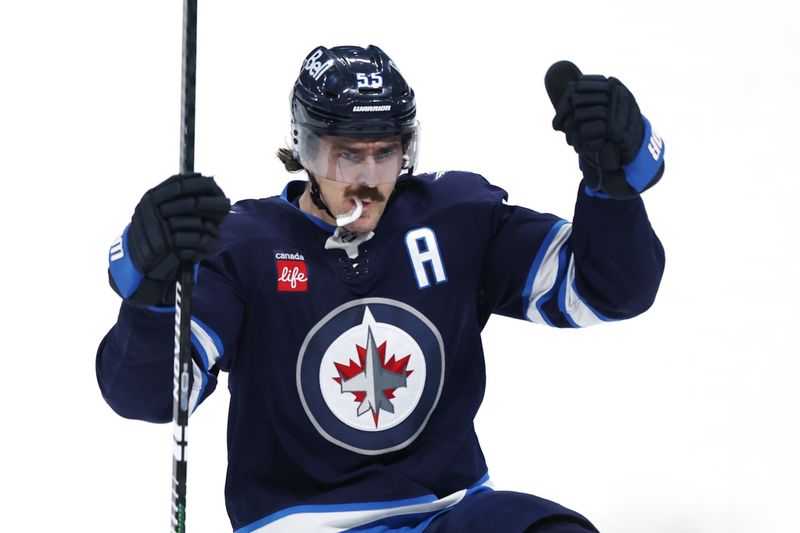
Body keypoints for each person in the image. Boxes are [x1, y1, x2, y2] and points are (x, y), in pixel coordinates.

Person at [97, 44, 666, 532]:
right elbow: (149, 395)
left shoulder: (453, 218)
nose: (368, 178)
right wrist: (149, 294)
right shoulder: (243, 248)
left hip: (451, 511)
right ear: (304, 147)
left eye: (385, 152)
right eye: (345, 153)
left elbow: (606, 289)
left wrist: (610, 189)